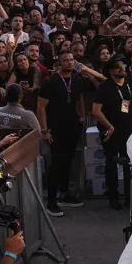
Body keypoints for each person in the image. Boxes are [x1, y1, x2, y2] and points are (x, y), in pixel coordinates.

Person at [91, 58, 132, 210]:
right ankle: (113, 197)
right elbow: (96, 111)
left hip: (127, 130)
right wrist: (109, 126)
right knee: (112, 162)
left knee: (129, 163)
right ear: (110, 71)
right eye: (117, 67)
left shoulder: (131, 84)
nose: (122, 69)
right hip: (110, 131)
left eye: (123, 66)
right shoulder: (105, 87)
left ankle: (130, 197)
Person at [37, 51, 87, 216]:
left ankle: (65, 194)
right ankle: (51, 201)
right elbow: (41, 107)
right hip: (55, 127)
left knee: (68, 160)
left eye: (71, 59)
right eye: (65, 60)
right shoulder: (50, 82)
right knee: (56, 163)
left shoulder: (78, 80)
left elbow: (79, 98)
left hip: (72, 126)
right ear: (59, 63)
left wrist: (81, 116)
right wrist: (44, 129)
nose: (69, 62)